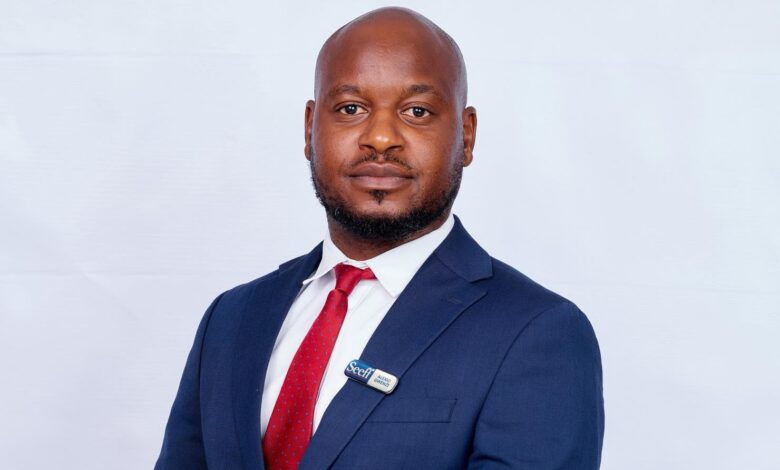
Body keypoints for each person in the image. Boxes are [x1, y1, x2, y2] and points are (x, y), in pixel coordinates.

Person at [155, 7, 604, 470]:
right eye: (351, 108)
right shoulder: (231, 319)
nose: (382, 138)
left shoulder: (536, 333)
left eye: (417, 111)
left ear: (466, 136)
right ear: (309, 128)